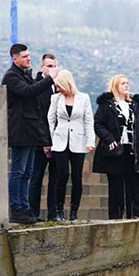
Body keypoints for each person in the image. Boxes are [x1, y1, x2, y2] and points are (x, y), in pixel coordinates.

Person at [2, 43, 57, 224]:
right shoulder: (11, 77)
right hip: (20, 130)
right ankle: (16, 208)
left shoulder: (25, 76)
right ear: (15, 58)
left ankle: (25, 208)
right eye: (24, 56)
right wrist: (49, 79)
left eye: (29, 55)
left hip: (31, 130)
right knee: (18, 170)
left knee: (27, 172)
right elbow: (28, 92)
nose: (28, 59)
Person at [93, 75, 139, 219]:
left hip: (132, 151)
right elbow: (98, 124)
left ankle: (136, 216)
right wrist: (109, 139)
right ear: (115, 86)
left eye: (127, 83)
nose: (126, 85)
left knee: (134, 185)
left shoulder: (134, 105)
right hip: (115, 151)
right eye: (123, 83)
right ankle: (116, 218)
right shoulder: (107, 105)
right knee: (116, 187)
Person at [47, 70, 94, 222]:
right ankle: (59, 210)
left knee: (76, 177)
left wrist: (90, 141)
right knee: (62, 176)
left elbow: (89, 120)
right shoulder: (55, 98)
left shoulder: (83, 98)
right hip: (59, 142)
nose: (57, 89)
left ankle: (74, 211)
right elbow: (50, 119)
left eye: (59, 86)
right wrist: (48, 141)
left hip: (78, 141)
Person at [28, 53, 59, 221]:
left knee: (55, 179)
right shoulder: (36, 85)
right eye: (49, 66)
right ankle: (33, 213)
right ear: (42, 67)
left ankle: (53, 214)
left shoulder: (58, 86)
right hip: (39, 139)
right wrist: (45, 140)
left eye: (54, 66)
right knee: (36, 178)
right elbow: (39, 116)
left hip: (57, 140)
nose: (52, 69)